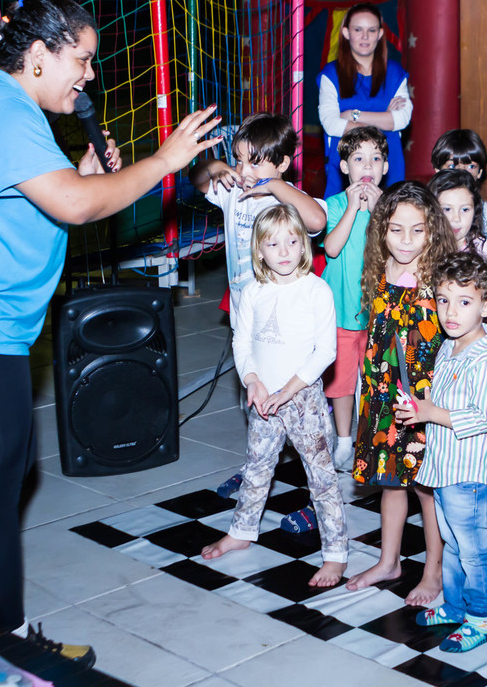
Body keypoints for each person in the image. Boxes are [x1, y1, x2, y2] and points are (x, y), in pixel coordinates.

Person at [0, 0, 224, 663]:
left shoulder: (1, 103)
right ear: (38, 56)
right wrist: (162, 163)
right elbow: (70, 205)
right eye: (82, 59)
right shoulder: (0, 109)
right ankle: (9, 647)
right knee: (0, 478)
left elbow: (45, 196)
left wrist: (84, 174)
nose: (89, 75)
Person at [201, 205, 347, 587]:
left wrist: (288, 390)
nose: (284, 251)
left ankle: (335, 554)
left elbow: (326, 352)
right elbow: (242, 341)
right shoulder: (252, 291)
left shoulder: (316, 290)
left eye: (292, 241)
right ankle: (243, 530)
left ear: (303, 246)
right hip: (264, 400)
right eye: (273, 243)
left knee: (322, 477)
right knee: (256, 467)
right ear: (259, 250)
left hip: (303, 400)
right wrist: (252, 380)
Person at [398, 252, 487, 653]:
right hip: (448, 466)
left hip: (473, 473)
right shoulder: (450, 346)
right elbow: (445, 401)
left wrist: (431, 411)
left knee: (475, 548)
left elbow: (479, 417)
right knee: (452, 542)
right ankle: (455, 604)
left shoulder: (486, 359)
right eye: (444, 300)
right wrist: (422, 408)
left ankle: (480, 619)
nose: (451, 312)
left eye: (464, 302)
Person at [347, 181, 455, 603]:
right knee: (391, 483)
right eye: (395, 230)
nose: (406, 241)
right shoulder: (380, 268)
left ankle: (433, 570)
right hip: (381, 394)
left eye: (418, 230)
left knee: (426, 489)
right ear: (381, 232)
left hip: (421, 400)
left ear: (433, 231)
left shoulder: (437, 276)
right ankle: (389, 561)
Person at [191, 112, 327, 326]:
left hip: (284, 317)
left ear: (282, 164)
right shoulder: (233, 192)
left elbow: (317, 220)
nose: (244, 171)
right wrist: (218, 167)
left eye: (254, 163)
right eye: (238, 161)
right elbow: (196, 177)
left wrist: (273, 185)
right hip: (243, 314)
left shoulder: (288, 200)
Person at [322, 126, 389, 472]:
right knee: (341, 382)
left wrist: (379, 213)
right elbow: (332, 248)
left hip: (378, 314)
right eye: (358, 158)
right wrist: (352, 207)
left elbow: (395, 254)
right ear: (345, 167)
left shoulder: (390, 210)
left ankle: (371, 434)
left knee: (377, 378)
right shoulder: (334, 205)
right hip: (340, 314)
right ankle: (343, 438)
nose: (367, 165)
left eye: (375, 158)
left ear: (385, 167)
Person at [428, 168, 487, 395]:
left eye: (465, 209)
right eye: (447, 209)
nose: (456, 218)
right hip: (442, 341)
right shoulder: (427, 250)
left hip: (484, 343)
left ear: (476, 211)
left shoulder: (486, 250)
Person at [318, 4, 412, 196]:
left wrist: (353, 116)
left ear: (380, 34)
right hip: (344, 165)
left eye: (371, 30)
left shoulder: (395, 73)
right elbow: (331, 124)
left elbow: (402, 119)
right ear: (346, 32)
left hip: (388, 163)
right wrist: (384, 118)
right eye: (358, 30)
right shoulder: (330, 74)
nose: (365, 36)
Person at [431, 129, 487, 241]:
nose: (462, 172)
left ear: (480, 173)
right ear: (438, 171)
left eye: (471, 167)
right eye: (452, 166)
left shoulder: (486, 214)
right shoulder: (426, 207)